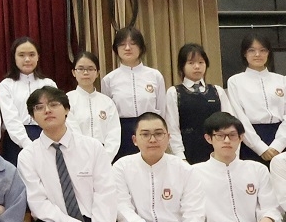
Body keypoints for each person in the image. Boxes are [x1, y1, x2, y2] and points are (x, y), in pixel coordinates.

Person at [18, 85, 136, 222]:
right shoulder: (28, 156)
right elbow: (39, 204)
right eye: (39, 107)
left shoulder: (93, 148)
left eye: (53, 105)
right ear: (32, 116)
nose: (47, 110)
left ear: (66, 109)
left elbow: (105, 195)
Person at [104, 26, 166, 160]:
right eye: (122, 44)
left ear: (141, 47)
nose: (127, 48)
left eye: (132, 44)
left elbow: (162, 109)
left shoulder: (155, 76)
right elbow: (108, 114)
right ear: (116, 49)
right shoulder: (109, 79)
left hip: (151, 130)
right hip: (122, 132)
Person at [227, 33, 286, 162]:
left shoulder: (282, 80)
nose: (257, 54)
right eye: (252, 50)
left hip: (282, 138)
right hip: (250, 139)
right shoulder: (235, 81)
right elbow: (239, 116)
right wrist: (260, 148)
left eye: (262, 50)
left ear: (268, 53)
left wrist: (279, 145)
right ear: (244, 53)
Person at [162, 43, 227, 164]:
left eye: (201, 62)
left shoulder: (217, 91)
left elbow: (228, 124)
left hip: (217, 152)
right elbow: (172, 128)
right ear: (182, 66)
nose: (197, 67)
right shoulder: (174, 92)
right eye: (191, 63)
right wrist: (180, 157)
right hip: (188, 152)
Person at [0, 37, 54, 166]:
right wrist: (27, 144)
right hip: (15, 141)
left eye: (32, 55)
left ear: (38, 57)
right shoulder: (6, 85)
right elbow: (11, 119)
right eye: (21, 55)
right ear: (14, 58)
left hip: (46, 136)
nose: (27, 59)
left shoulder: (48, 84)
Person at [65, 51, 116, 149]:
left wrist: (105, 155)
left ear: (97, 73)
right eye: (80, 69)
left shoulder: (107, 102)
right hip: (75, 152)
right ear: (73, 72)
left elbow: (114, 133)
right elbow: (70, 130)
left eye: (90, 69)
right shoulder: (67, 100)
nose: (85, 73)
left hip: (103, 154)